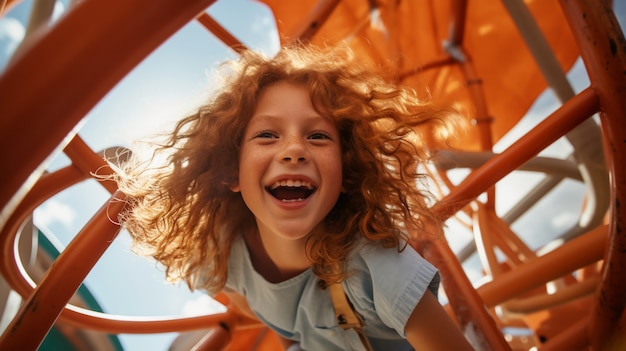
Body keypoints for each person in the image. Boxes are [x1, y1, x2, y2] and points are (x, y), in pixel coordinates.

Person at [114, 43, 473, 351]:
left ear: (347, 172)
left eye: (318, 136)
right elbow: (291, 331)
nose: (294, 150)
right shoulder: (223, 256)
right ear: (229, 172)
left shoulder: (375, 264)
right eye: (268, 135)